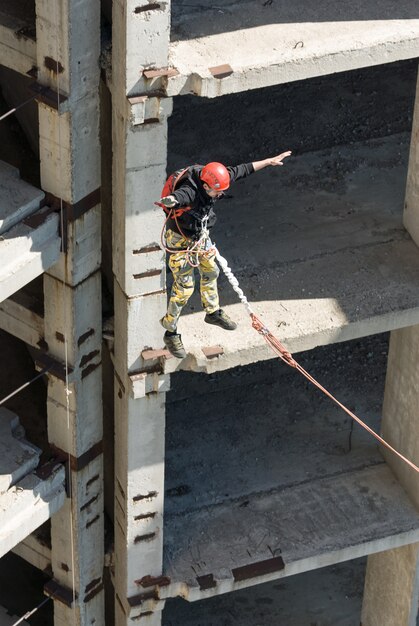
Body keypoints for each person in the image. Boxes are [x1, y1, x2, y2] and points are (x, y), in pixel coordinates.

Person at [159, 151, 292, 358]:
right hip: (180, 240)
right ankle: (171, 332)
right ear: (205, 187)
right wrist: (170, 201)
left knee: (211, 270)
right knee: (184, 287)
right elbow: (180, 197)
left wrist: (268, 161)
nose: (219, 195)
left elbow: (242, 170)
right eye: (216, 192)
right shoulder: (191, 191)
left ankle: (212, 313)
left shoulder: (214, 178)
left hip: (199, 235)